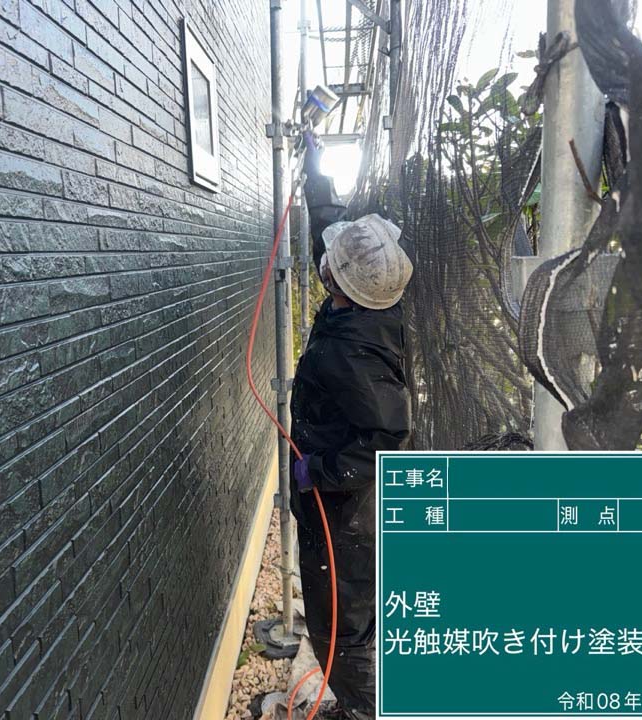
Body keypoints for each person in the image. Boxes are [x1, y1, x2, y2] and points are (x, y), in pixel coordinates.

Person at [289, 138, 413, 720]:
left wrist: (318, 471)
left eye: (330, 268)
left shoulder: (353, 353)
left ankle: (365, 710)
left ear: (340, 285)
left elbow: (386, 439)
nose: (325, 262)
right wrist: (314, 169)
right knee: (347, 618)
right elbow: (333, 239)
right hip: (337, 499)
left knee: (340, 628)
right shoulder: (368, 300)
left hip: (342, 511)